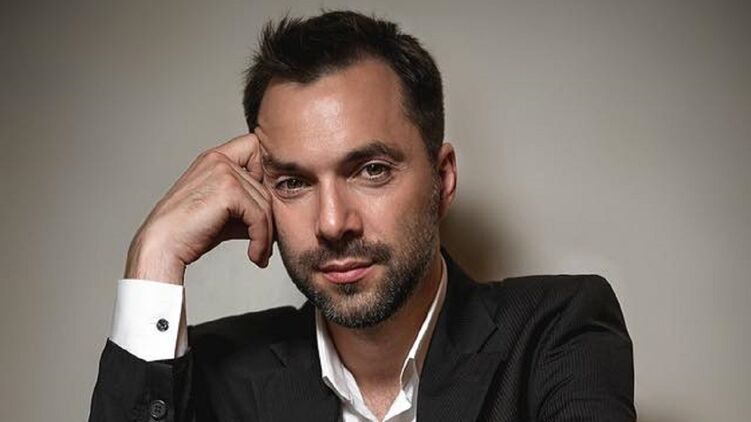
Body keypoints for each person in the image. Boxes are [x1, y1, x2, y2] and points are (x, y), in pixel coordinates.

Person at [89, 10, 635, 422]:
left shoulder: (555, 332)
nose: (332, 224)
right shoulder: (212, 371)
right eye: (294, 182)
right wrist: (154, 254)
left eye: (371, 170)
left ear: (442, 180)